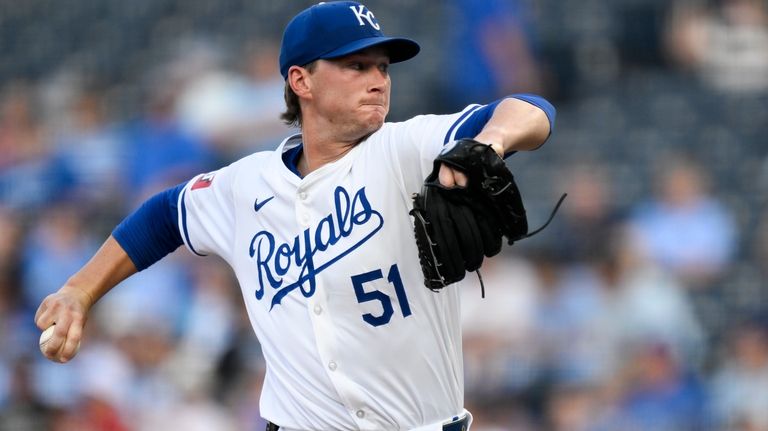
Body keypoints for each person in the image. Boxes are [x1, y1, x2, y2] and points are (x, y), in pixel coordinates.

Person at [34, 2, 555, 429]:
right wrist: (80, 290)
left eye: (382, 67)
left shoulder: (406, 148)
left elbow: (530, 107)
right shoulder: (245, 185)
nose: (377, 79)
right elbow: (164, 216)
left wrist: (490, 140)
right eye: (356, 66)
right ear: (301, 80)